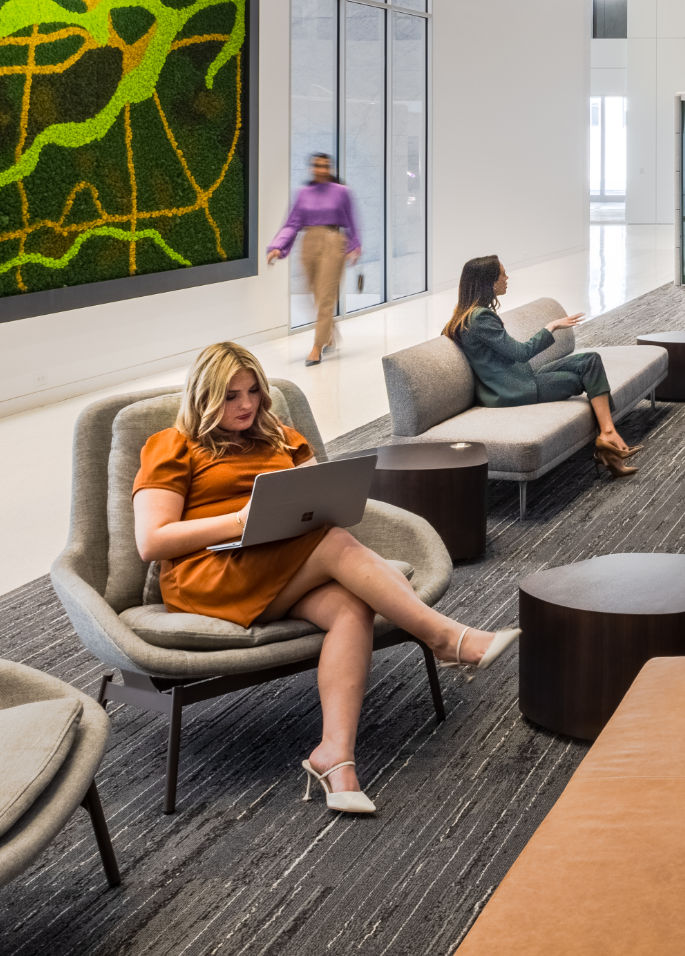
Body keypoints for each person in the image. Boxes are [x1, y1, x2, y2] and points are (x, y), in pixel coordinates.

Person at [133, 342, 518, 815]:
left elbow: (316, 504)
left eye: (253, 391)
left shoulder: (282, 437)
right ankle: (445, 639)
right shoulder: (172, 445)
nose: (247, 404)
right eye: (231, 396)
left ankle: (334, 757)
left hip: (281, 566)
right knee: (334, 542)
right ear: (204, 396)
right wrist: (240, 520)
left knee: (350, 606)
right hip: (210, 573)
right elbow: (152, 541)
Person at [445, 256, 639, 477]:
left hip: (520, 378)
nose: (507, 278)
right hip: (512, 390)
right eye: (503, 274)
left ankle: (608, 434)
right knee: (580, 380)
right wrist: (551, 327)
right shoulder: (480, 318)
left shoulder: (462, 317)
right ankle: (608, 442)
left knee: (590, 360)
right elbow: (521, 353)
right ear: (489, 281)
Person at [266, 152, 359, 366]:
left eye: (325, 166)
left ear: (331, 169)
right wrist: (277, 247)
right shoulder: (303, 194)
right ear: (312, 168)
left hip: (333, 242)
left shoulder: (341, 192)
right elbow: (292, 223)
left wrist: (354, 245)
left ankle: (316, 348)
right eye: (317, 165)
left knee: (325, 297)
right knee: (310, 294)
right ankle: (329, 333)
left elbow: (352, 221)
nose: (321, 170)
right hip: (308, 242)